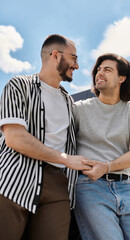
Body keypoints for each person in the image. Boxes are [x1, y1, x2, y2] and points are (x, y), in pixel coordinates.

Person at [0, 34, 91, 240]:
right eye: (74, 58)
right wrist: (66, 159)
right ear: (55, 55)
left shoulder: (69, 101)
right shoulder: (18, 85)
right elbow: (15, 138)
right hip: (14, 178)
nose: (76, 65)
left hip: (58, 186)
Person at [73, 53, 130, 240]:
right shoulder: (78, 109)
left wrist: (107, 166)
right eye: (98, 69)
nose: (99, 73)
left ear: (122, 78)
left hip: (125, 187)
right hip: (88, 186)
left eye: (107, 69)